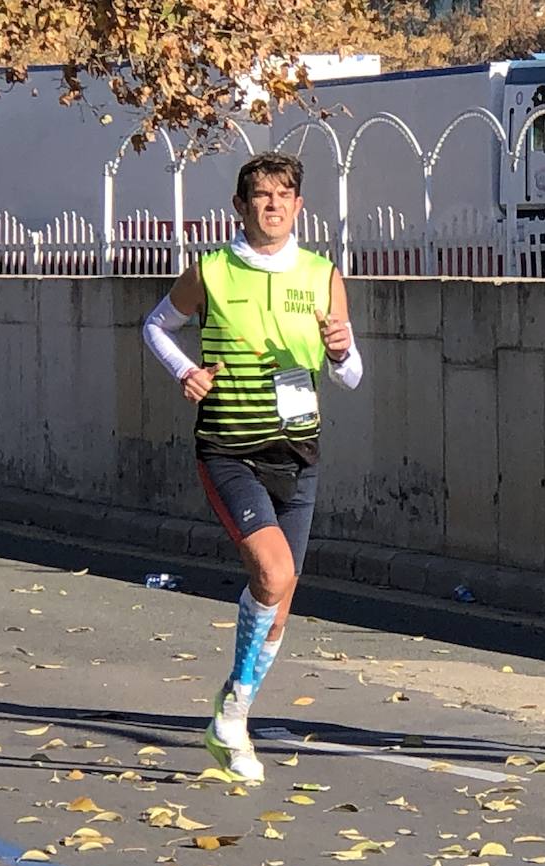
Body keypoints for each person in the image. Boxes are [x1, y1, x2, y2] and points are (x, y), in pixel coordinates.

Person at [142, 152, 363, 783]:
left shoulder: (322, 275)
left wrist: (342, 350)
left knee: (282, 590)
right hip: (230, 447)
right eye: (260, 196)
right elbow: (155, 326)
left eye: (283, 195)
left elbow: (350, 375)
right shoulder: (211, 271)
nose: (272, 205)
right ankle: (233, 715)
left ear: (299, 206)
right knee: (272, 570)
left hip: (299, 451)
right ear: (240, 208)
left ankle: (231, 713)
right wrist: (185, 370)